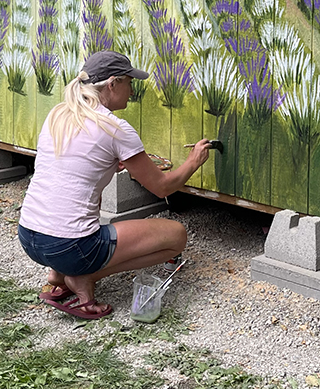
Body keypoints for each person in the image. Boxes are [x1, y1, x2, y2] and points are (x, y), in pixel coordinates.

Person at [17, 50, 211, 319]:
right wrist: (193, 161)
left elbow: (73, 170)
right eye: (129, 82)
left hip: (28, 236)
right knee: (176, 236)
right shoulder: (115, 128)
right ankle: (83, 276)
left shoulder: (59, 114)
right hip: (70, 247)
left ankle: (57, 274)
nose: (131, 90)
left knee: (74, 221)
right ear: (112, 84)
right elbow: (163, 187)